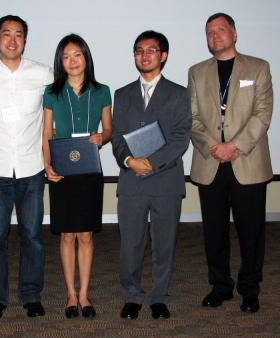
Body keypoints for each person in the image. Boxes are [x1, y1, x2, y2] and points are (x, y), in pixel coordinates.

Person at [188, 13, 273, 313]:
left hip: (247, 160)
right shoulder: (197, 72)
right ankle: (220, 286)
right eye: (209, 32)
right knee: (214, 231)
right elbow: (193, 118)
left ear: (234, 34)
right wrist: (215, 147)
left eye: (221, 30)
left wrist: (234, 146)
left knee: (251, 232)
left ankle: (250, 289)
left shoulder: (258, 68)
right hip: (211, 162)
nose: (215, 36)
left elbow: (262, 114)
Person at [0, 15, 53, 319]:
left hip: (32, 168)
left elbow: (52, 117)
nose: (12, 40)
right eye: (6, 34)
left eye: (19, 34)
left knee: (32, 236)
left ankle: (31, 296)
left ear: (25, 40)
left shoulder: (42, 73)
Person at [112, 30, 191, 320]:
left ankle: (159, 297)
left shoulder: (179, 93)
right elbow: (117, 138)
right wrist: (129, 160)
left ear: (163, 55)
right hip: (131, 179)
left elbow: (181, 138)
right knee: (130, 243)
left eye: (151, 50)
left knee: (164, 242)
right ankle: (132, 295)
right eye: (139, 50)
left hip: (166, 180)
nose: (144, 55)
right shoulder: (122, 94)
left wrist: (152, 163)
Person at [42, 34, 112, 319]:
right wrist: (47, 165)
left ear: (86, 57)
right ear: (61, 61)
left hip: (89, 170)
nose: (72, 61)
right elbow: (47, 132)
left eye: (77, 55)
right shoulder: (51, 91)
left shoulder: (102, 90)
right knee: (67, 235)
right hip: (62, 170)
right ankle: (71, 294)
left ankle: (85, 295)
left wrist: (101, 136)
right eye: (66, 56)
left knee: (85, 235)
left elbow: (109, 129)